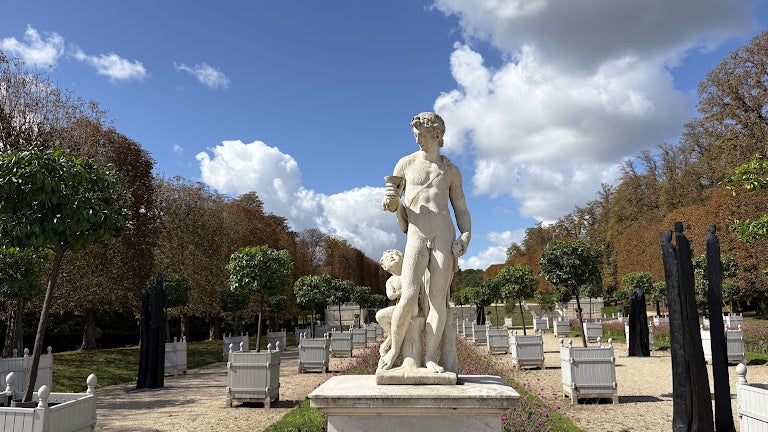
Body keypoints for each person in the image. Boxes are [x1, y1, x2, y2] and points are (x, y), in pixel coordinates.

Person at [380, 112, 471, 374]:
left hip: (444, 233)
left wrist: (466, 235)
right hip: (417, 234)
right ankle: (395, 349)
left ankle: (431, 356)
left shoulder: (451, 171)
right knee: (408, 295)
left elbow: (461, 208)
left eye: (421, 135)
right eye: (415, 135)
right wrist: (390, 201)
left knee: (437, 300)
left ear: (437, 135)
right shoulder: (405, 164)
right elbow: (392, 204)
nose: (417, 140)